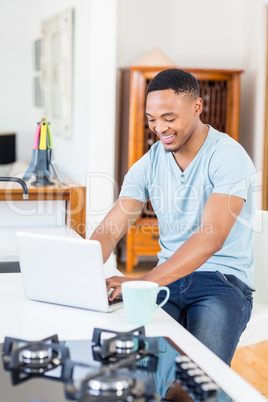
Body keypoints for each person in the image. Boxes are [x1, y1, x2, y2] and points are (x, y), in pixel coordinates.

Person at [90, 68, 256, 366]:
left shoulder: (229, 157)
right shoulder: (150, 162)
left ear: (197, 107)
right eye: (152, 119)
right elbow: (111, 228)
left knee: (199, 380)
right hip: (168, 280)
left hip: (221, 282)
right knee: (136, 370)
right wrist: (84, 273)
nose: (159, 128)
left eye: (169, 118)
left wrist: (142, 283)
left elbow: (210, 238)